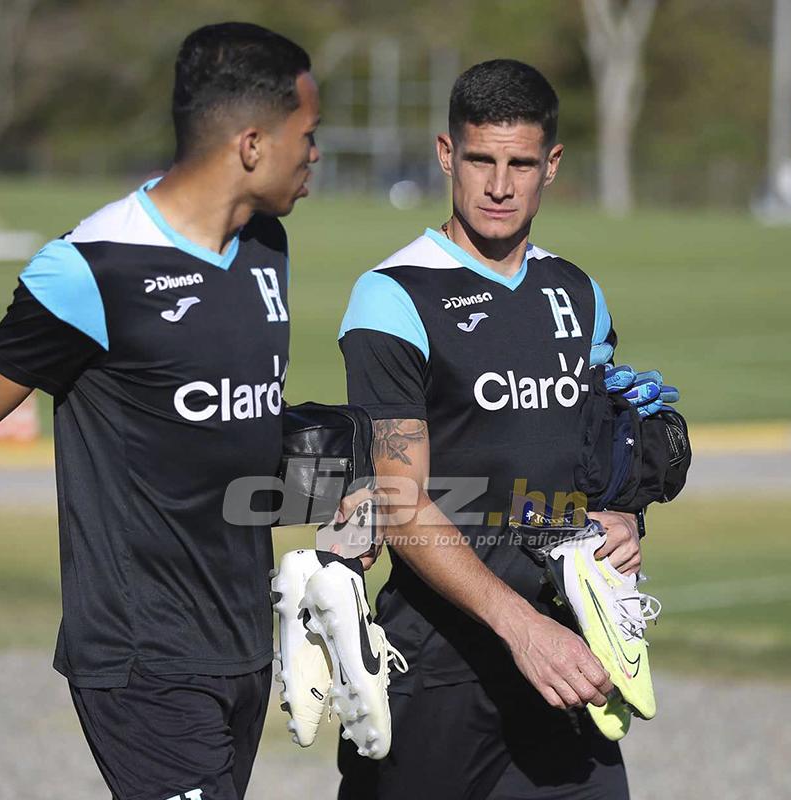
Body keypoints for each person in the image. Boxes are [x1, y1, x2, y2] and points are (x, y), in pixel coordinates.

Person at [0, 22, 319, 800]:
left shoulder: (266, 247)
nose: (316, 155)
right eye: (307, 135)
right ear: (251, 144)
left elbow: (239, 433)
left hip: (243, 647)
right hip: (142, 660)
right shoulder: (92, 269)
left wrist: (356, 493)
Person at [335, 59, 644, 798]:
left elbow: (596, 454)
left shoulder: (577, 293)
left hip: (567, 652)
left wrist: (626, 517)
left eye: (521, 164)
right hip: (439, 666)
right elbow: (400, 501)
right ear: (447, 154)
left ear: (551, 165)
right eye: (481, 160)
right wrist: (520, 628)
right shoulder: (393, 297)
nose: (500, 185)